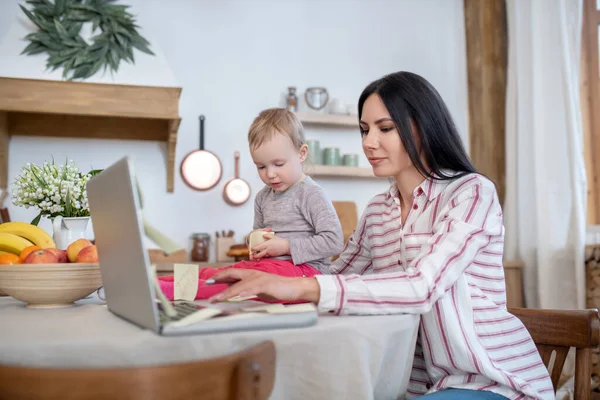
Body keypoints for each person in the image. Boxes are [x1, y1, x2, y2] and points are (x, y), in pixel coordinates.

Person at [205, 72, 554, 399]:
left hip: (492, 383)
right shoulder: (377, 212)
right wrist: (259, 284)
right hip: (419, 387)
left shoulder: (472, 193)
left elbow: (422, 286)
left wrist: (298, 286)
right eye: (364, 129)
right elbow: (335, 280)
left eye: (385, 128)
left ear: (422, 128)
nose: (369, 142)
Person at [158, 108, 344, 301]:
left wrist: (287, 246)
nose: (270, 173)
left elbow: (334, 241)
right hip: (269, 268)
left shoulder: (310, 193)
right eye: (261, 166)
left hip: (306, 273)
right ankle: (156, 282)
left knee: (238, 283)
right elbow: (258, 237)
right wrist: (254, 244)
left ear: (302, 154)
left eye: (278, 164)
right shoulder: (263, 197)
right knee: (222, 272)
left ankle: (166, 292)